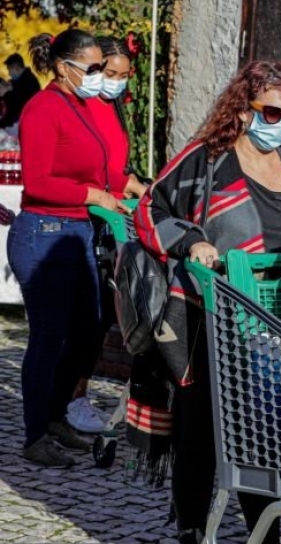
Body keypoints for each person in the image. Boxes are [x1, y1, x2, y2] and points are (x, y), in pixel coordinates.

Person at [133, 60, 281, 544]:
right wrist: (191, 241)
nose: (280, 125)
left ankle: (265, 534)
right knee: (201, 434)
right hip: (208, 319)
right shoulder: (204, 160)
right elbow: (149, 209)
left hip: (277, 327)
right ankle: (191, 529)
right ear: (243, 108)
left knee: (264, 433)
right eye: (270, 113)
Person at [7, 29, 132, 468]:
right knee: (48, 337)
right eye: (94, 68)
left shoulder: (78, 105)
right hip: (43, 234)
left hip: (75, 234)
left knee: (88, 330)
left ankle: (58, 416)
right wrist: (94, 196)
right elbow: (39, 182)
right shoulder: (43, 108)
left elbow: (99, 170)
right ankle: (36, 433)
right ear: (64, 67)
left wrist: (135, 188)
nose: (100, 76)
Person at [63, 35, 147, 434]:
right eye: (109, 73)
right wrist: (125, 184)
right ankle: (72, 395)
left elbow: (115, 164)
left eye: (124, 75)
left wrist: (135, 184)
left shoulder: (112, 108)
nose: (116, 81)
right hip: (89, 217)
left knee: (101, 316)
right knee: (89, 316)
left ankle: (74, 393)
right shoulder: (82, 107)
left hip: (112, 212)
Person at [1, 53, 42, 128]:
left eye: (9, 70)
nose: (9, 74)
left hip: (27, 125)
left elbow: (20, 108)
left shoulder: (30, 82)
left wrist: (8, 92)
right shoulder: (17, 82)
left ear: (15, 68)